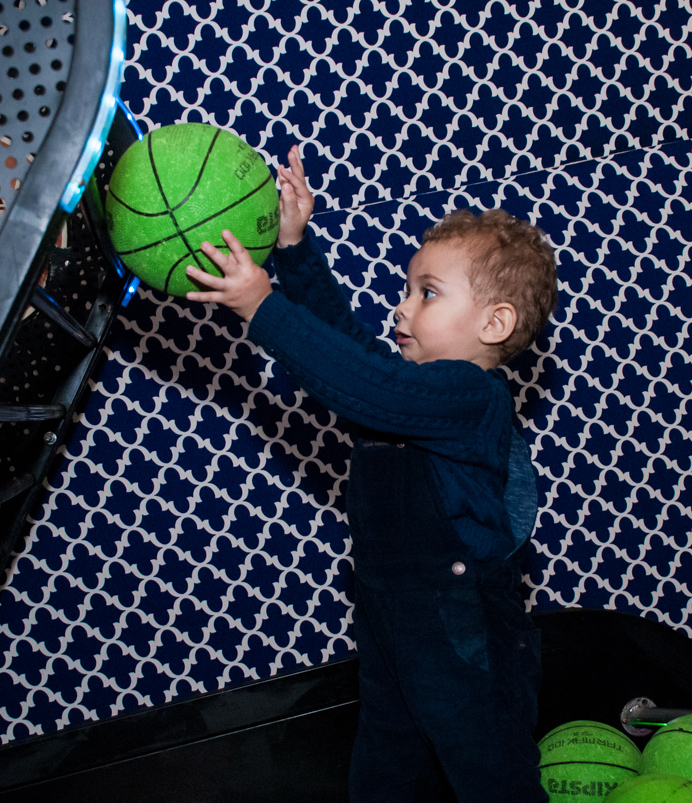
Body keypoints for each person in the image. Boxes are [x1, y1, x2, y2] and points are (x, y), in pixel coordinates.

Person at [185, 146, 558, 802]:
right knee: (387, 755)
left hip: (461, 617)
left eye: (427, 293)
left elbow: (367, 384)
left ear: (495, 322)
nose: (402, 308)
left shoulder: (471, 396)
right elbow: (354, 354)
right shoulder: (407, 389)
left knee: (486, 759)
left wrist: (264, 307)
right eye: (406, 288)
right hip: (389, 607)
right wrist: (295, 251)